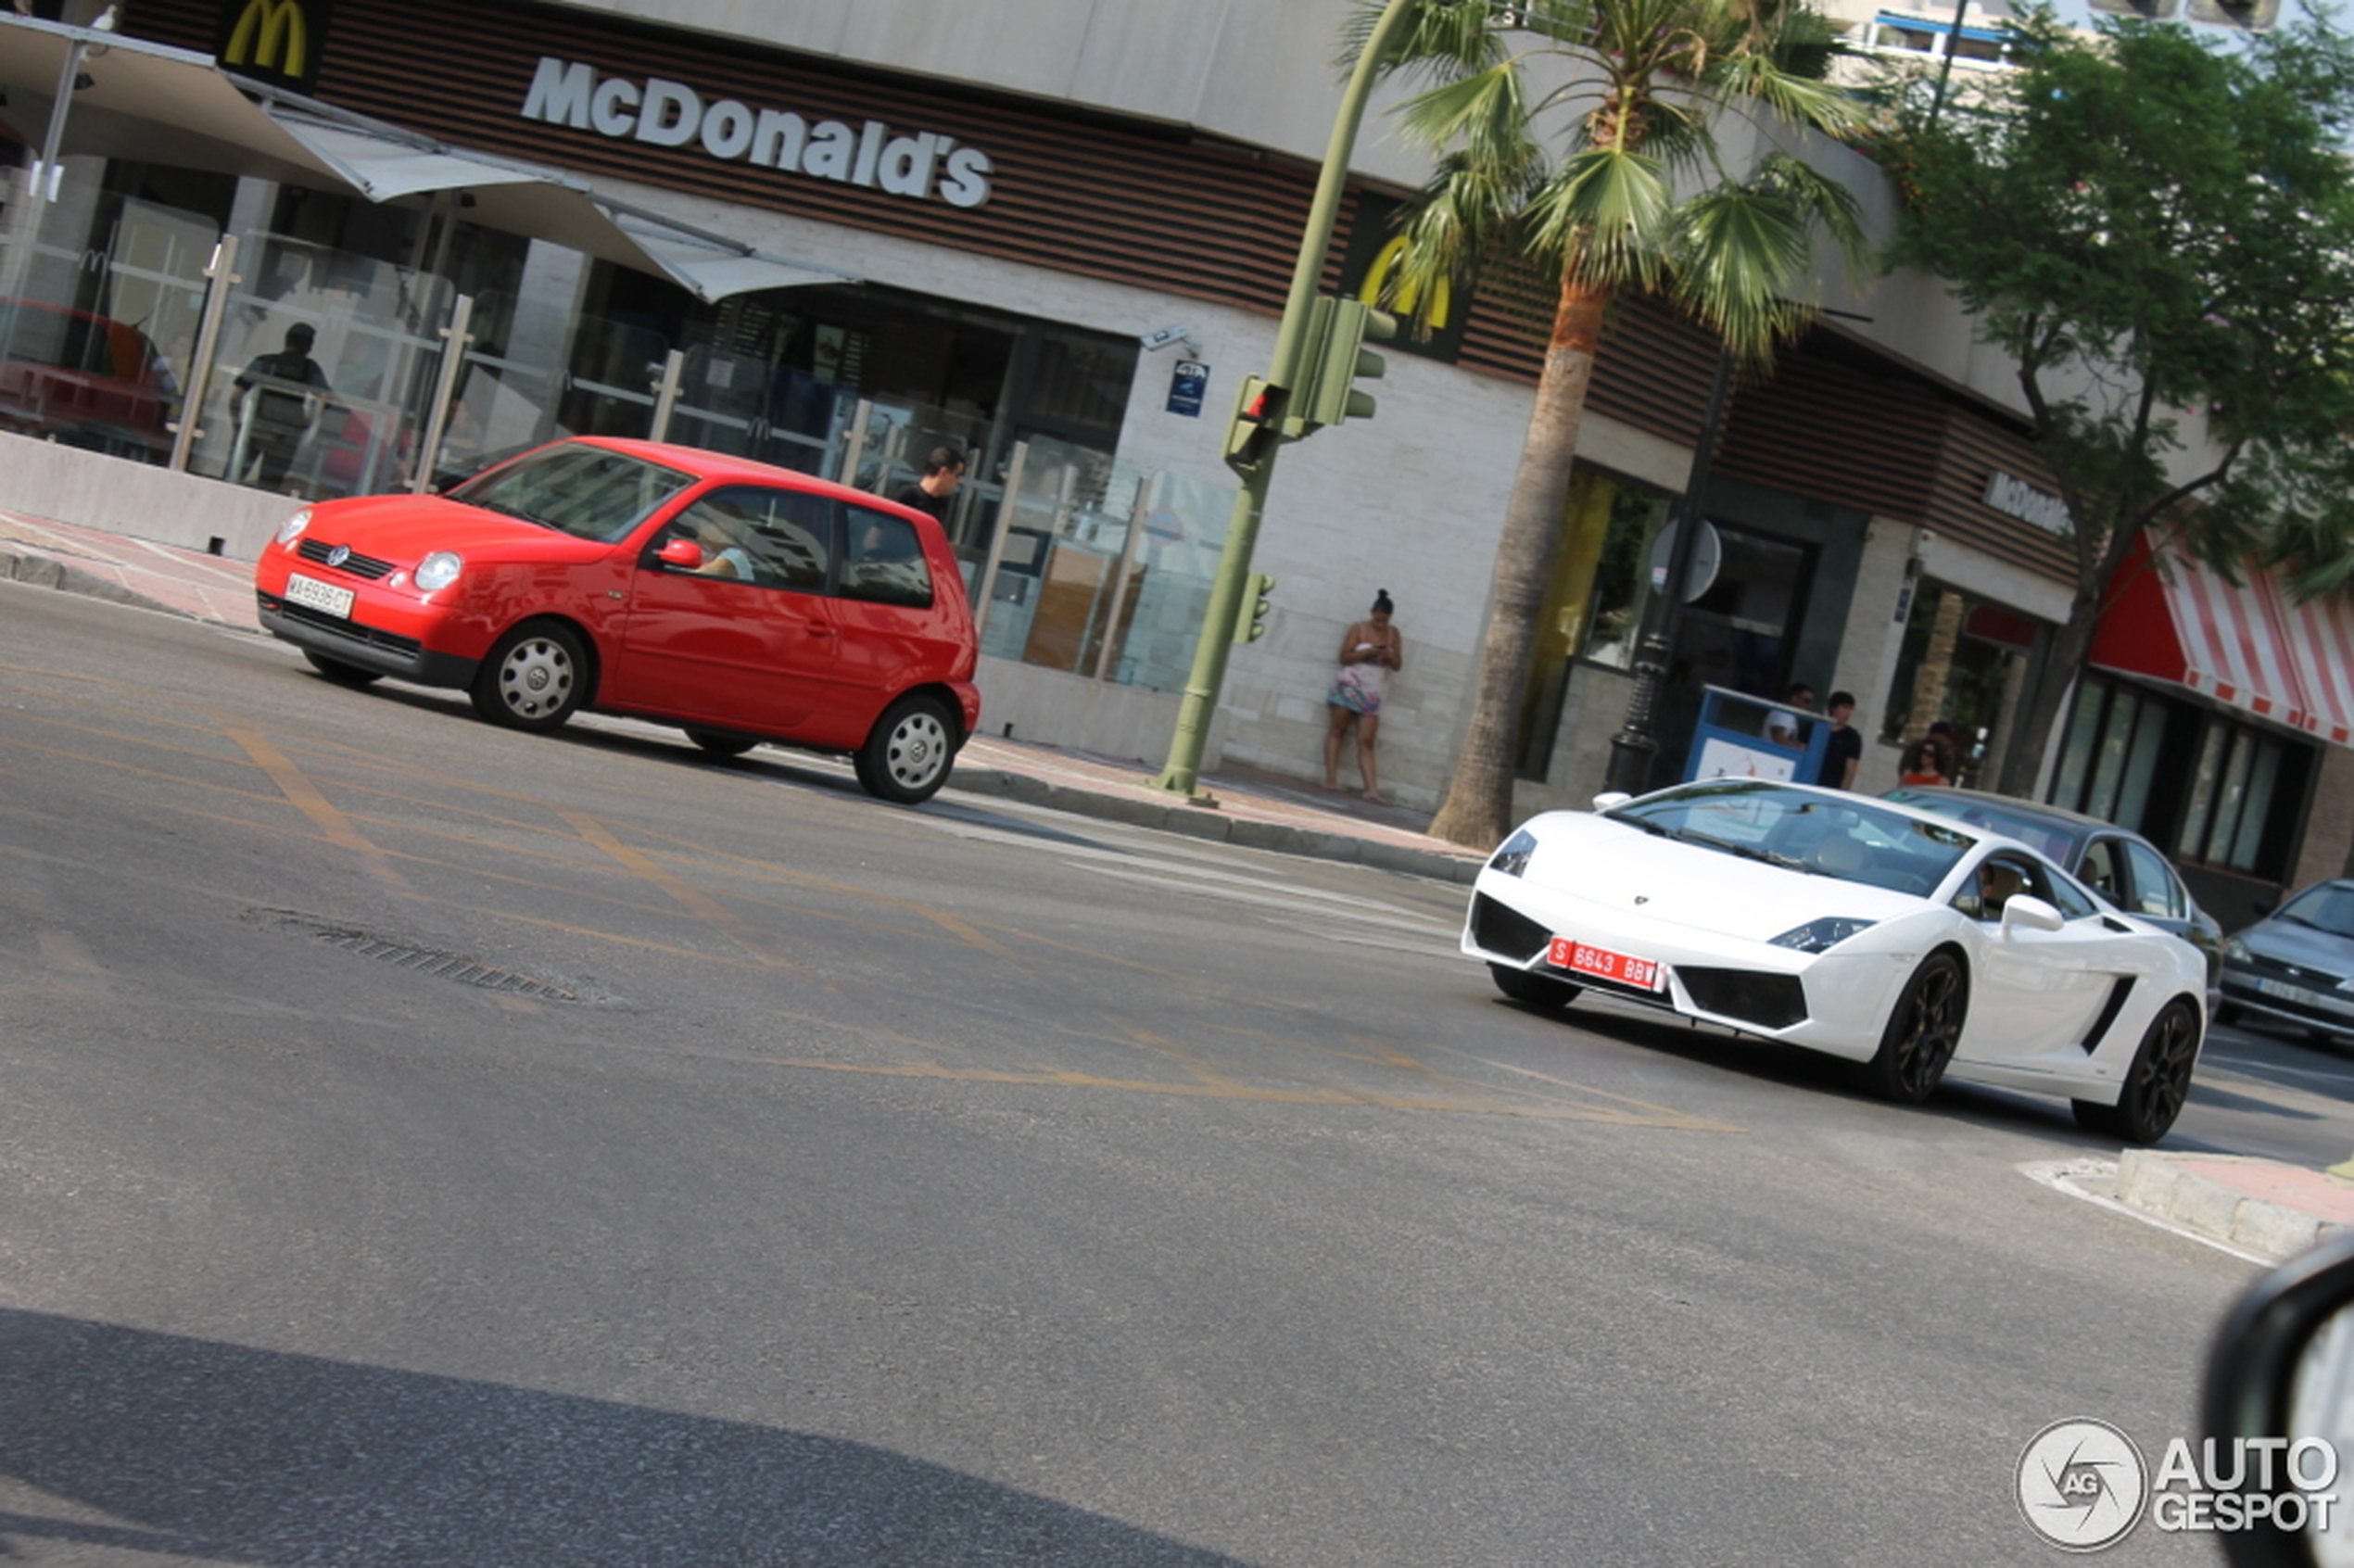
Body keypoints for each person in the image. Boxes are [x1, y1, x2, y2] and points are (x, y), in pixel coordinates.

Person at [231, 322, 334, 493]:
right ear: (308, 346)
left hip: (256, 428)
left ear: (287, 340)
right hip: (286, 436)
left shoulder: (264, 362)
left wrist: (238, 424)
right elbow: (326, 398)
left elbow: (236, 396)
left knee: (233, 478)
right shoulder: (309, 368)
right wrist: (309, 421)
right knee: (269, 488)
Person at [1324, 589, 1403, 804]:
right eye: (1377, 620)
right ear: (1371, 613)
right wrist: (1367, 652)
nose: (1380, 624)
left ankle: (1371, 789)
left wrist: (1390, 655)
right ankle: (1331, 778)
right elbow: (1344, 657)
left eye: (1384, 621)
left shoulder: (1393, 634)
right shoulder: (1358, 628)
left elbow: (1397, 666)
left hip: (1372, 692)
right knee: (1338, 730)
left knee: (1367, 740)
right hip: (1349, 685)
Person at [892, 445, 966, 523]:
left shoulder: (941, 505)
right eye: (957, 475)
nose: (959, 481)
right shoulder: (907, 496)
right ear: (944, 472)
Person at [1816, 690, 1861, 790]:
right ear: (1833, 708)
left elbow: (1850, 769)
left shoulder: (1852, 737)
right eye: (1844, 707)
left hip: (1831, 786)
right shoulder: (1816, 728)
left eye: (1850, 709)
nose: (1848, 713)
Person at [1767, 682, 1816, 748]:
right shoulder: (1784, 713)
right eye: (1806, 701)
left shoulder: (1790, 715)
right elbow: (1777, 736)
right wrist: (1797, 748)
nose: (1809, 706)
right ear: (1794, 698)